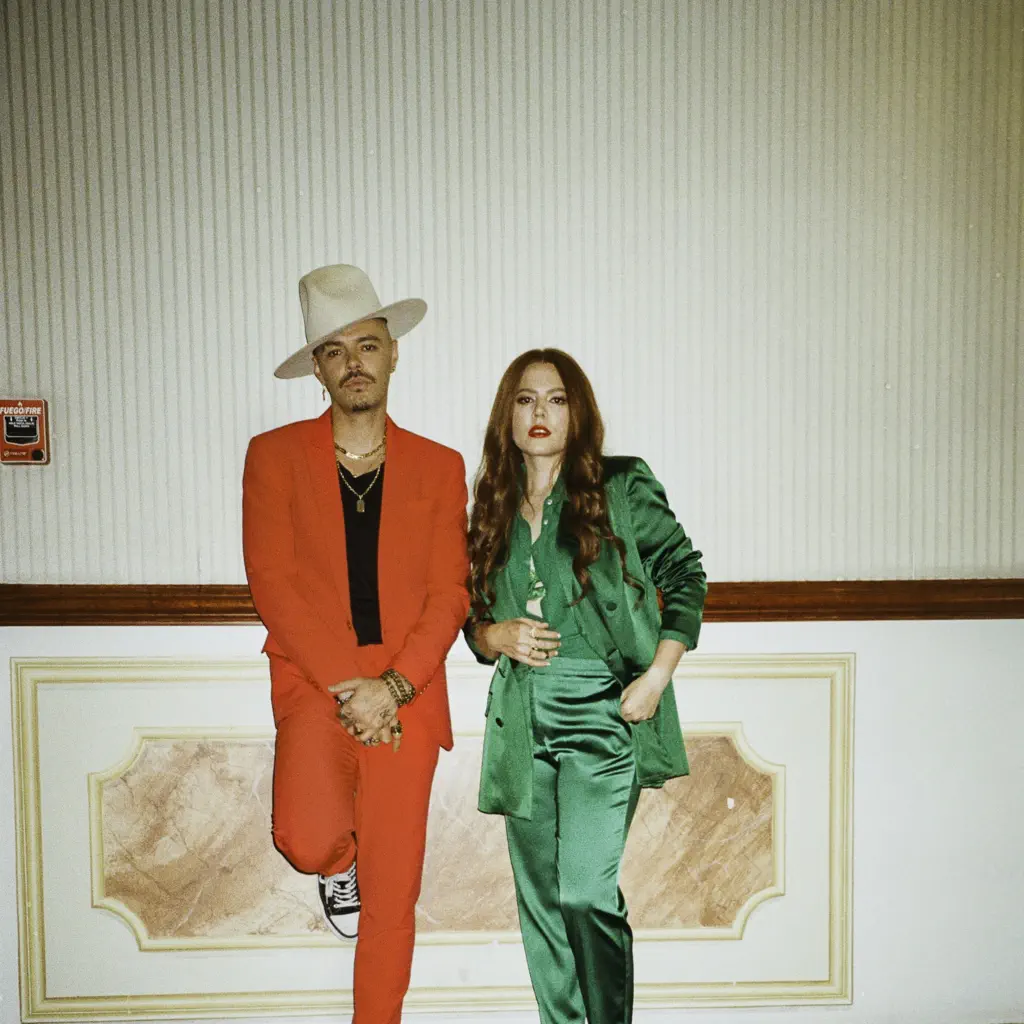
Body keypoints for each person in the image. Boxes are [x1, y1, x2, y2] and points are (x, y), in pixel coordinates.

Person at [242, 264, 469, 1024]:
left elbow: (450, 593)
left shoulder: (439, 467)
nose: (354, 363)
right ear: (318, 368)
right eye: (335, 351)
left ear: (393, 352)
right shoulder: (273, 457)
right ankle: (343, 865)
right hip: (319, 686)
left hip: (407, 691)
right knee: (305, 839)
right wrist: (353, 689)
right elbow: (274, 585)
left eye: (367, 345)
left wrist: (393, 687)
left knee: (394, 894)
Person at [465, 348, 706, 1024]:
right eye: (525, 399)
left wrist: (657, 675)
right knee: (542, 905)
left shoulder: (620, 485)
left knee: (583, 895)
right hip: (521, 717)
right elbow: (472, 617)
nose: (540, 412)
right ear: (507, 415)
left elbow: (686, 574)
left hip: (602, 712)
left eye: (557, 399)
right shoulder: (493, 503)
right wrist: (492, 635)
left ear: (579, 413)